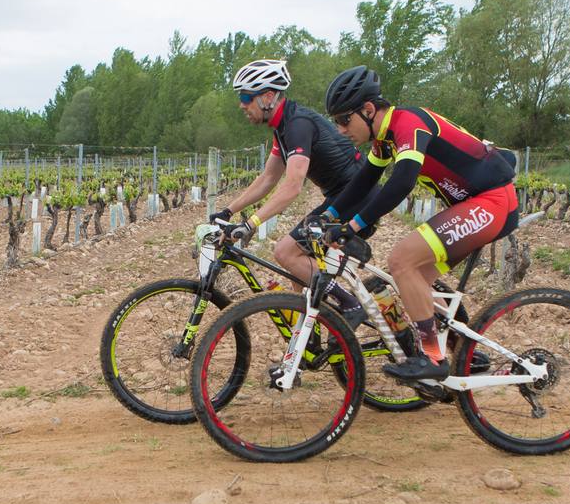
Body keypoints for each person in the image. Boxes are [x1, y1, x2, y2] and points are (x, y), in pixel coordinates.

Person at [319, 65, 519, 381]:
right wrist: (326, 216)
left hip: (494, 201)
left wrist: (353, 226)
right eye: (336, 122)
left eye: (345, 119)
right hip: (475, 202)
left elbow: (401, 183)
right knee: (414, 280)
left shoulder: (407, 124)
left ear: (368, 110)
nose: (341, 129)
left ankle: (433, 357)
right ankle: (467, 353)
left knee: (401, 260)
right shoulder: (383, 140)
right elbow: (363, 182)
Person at [210, 59, 374, 319]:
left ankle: (350, 304)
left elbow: (292, 186)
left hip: (357, 198)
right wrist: (228, 211)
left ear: (267, 96)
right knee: (297, 278)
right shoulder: (283, 128)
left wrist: (251, 223)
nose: (242, 104)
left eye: (245, 96)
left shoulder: (297, 125)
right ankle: (308, 349)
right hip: (340, 197)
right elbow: (268, 178)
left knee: (285, 251)